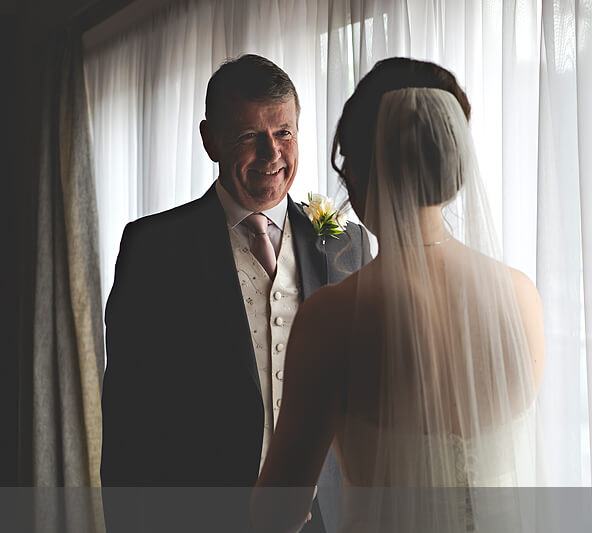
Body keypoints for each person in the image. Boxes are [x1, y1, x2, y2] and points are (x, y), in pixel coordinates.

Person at [252, 58, 546, 532]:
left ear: (365, 173)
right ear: (454, 167)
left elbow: (278, 510)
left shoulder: (333, 316)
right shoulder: (521, 297)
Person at [101, 54, 370, 532]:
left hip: (332, 517)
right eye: (249, 135)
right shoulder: (154, 249)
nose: (272, 154)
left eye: (284, 132)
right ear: (210, 140)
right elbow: (129, 419)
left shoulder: (345, 243)